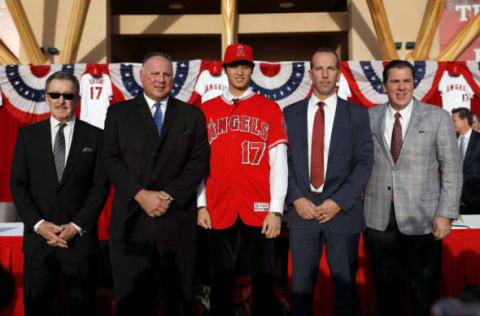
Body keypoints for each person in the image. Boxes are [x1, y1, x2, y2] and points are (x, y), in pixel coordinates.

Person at [103, 52, 209, 316]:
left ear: (173, 79)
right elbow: (111, 160)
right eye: (155, 74)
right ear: (141, 77)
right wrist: (140, 194)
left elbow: (198, 162)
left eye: (166, 74)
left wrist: (168, 195)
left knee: (179, 301)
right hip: (131, 223)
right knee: (133, 303)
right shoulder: (118, 113)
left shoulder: (192, 115)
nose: (161, 80)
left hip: (176, 224)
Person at [364, 60, 462, 316]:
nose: (401, 87)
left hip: (424, 219)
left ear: (414, 83)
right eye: (395, 81)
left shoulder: (437, 117)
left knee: (424, 292)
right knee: (387, 294)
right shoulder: (368, 117)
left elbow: (451, 168)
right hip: (379, 219)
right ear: (384, 85)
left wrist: (445, 213)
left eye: (406, 81)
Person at [197, 43, 288, 315]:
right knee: (219, 280)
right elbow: (198, 164)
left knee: (263, 279)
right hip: (217, 207)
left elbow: (279, 162)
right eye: (234, 65)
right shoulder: (206, 110)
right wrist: (200, 204)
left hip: (258, 207)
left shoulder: (270, 108)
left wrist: (275, 209)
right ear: (224, 69)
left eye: (245, 65)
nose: (239, 71)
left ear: (252, 69)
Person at [9, 71, 109, 316]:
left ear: (77, 99)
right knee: (37, 308)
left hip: (79, 241)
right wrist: (39, 225)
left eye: (67, 95)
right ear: (46, 97)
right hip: (38, 242)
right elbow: (18, 184)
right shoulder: (28, 136)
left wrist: (76, 226)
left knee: (82, 308)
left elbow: (100, 187)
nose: (61, 100)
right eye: (55, 94)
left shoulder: (96, 137)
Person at [283, 47, 373, 316]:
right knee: (300, 292)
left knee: (346, 293)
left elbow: (364, 163)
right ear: (310, 73)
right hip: (302, 213)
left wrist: (338, 202)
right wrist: (297, 197)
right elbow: (281, 162)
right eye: (319, 69)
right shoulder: (290, 113)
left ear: (338, 73)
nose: (324, 74)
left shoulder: (357, 114)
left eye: (330, 68)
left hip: (342, 214)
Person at [452, 107, 480, 214]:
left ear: (464, 121)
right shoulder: (451, 141)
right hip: (454, 203)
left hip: (476, 202)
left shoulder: (478, 140)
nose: (452, 123)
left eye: (454, 121)